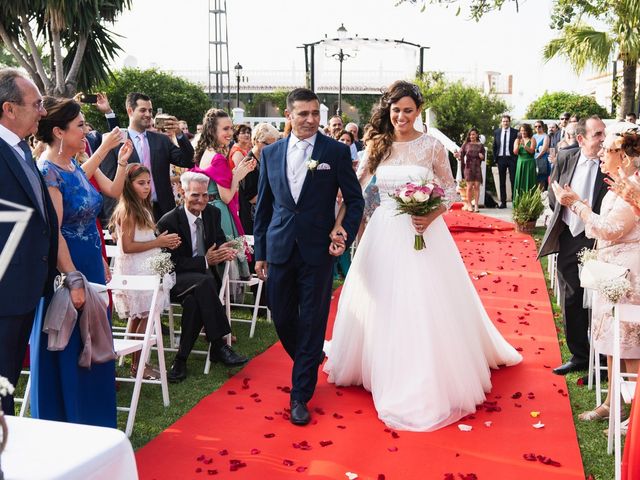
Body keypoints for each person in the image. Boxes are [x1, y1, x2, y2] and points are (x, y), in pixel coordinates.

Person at [324, 80, 522, 432]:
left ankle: (422, 371)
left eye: (408, 110)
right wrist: (335, 206)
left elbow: (449, 189)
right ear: (388, 109)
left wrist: (430, 213)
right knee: (382, 298)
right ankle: (378, 361)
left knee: (422, 300)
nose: (401, 116)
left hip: (423, 232)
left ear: (418, 111)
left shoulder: (431, 147)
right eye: (396, 109)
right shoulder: (376, 145)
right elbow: (356, 184)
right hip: (384, 230)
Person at [254, 88, 364, 426]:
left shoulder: (336, 150)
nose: (311, 120)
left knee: (314, 318)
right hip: (279, 246)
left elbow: (355, 200)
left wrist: (342, 234)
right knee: (282, 314)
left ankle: (300, 393)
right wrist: (260, 252)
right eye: (303, 114)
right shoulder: (271, 153)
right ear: (288, 115)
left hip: (319, 249)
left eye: (315, 113)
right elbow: (264, 205)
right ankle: (310, 354)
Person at [31, 96, 133, 427]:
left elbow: (96, 196)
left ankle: (97, 422)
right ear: (59, 132)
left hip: (91, 263)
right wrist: (73, 278)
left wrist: (99, 263)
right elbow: (55, 231)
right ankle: (71, 420)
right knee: (73, 346)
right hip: (69, 271)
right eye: (80, 126)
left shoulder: (72, 164)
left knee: (97, 343)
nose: (85, 130)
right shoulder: (48, 172)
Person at [552, 126, 640, 421]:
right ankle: (613, 404)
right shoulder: (621, 184)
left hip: (628, 277)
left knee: (630, 347)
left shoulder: (634, 188)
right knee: (615, 343)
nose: (601, 152)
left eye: (608, 150)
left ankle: (633, 414)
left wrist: (575, 206)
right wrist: (583, 205)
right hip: (612, 272)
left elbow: (612, 228)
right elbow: (604, 222)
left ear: (624, 157)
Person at [0, 69, 58, 415]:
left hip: (26, 289)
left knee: (8, 379)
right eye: (36, 104)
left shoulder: (22, 149)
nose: (42, 111)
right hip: (5, 290)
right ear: (9, 108)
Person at [157, 172, 248, 382]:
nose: (201, 200)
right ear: (183, 192)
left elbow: (217, 240)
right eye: (195, 195)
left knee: (195, 301)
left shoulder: (212, 214)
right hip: (176, 280)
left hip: (202, 284)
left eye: (205, 195)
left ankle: (180, 360)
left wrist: (225, 249)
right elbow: (171, 263)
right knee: (204, 281)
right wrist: (205, 262)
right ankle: (219, 345)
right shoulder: (169, 221)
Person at [539, 116, 608, 375]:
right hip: (569, 233)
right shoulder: (567, 157)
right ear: (581, 139)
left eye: (603, 133)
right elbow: (552, 190)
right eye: (597, 134)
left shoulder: (609, 162)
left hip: (598, 237)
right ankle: (579, 356)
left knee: (598, 298)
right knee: (571, 296)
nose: (603, 139)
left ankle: (602, 358)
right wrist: (564, 209)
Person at [110, 163, 182, 379]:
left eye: (148, 183)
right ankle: (139, 364)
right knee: (145, 317)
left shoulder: (142, 207)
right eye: (141, 183)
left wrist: (161, 242)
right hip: (137, 269)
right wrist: (158, 242)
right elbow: (127, 246)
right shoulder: (130, 210)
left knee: (140, 316)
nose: (146, 187)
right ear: (129, 185)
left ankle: (137, 363)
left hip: (146, 266)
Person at [99, 92, 195, 223]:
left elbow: (188, 161)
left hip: (162, 211)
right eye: (143, 110)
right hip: (130, 212)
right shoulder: (115, 142)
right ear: (130, 111)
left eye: (150, 110)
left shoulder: (161, 140)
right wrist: (113, 220)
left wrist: (179, 134)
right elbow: (109, 184)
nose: (149, 115)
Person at [192, 109, 256, 288]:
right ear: (213, 130)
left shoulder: (205, 153)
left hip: (207, 209)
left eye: (231, 128)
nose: (230, 133)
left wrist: (237, 172)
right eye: (225, 129)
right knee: (226, 261)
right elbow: (226, 197)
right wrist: (237, 177)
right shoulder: (218, 158)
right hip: (220, 211)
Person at [239, 122, 280, 235]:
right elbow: (251, 197)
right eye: (268, 144)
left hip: (264, 215)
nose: (272, 148)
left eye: (274, 144)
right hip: (253, 220)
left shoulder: (265, 159)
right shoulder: (249, 162)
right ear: (256, 141)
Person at [455, 128, 484, 212]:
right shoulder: (465, 144)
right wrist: (457, 155)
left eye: (473, 134)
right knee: (469, 187)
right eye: (470, 134)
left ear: (477, 135)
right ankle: (469, 205)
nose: (472, 136)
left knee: (477, 187)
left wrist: (482, 156)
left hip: (477, 167)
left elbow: (483, 157)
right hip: (468, 167)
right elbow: (460, 155)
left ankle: (476, 206)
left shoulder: (480, 145)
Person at [492, 114, 519, 208]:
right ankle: (503, 202)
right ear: (501, 122)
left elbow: (518, 145)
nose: (505, 123)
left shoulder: (515, 132)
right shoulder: (497, 132)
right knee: (502, 181)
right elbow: (494, 146)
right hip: (501, 159)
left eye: (507, 121)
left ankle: (515, 201)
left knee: (513, 180)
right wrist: (495, 158)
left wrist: (516, 157)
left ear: (509, 122)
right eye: (503, 121)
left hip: (512, 158)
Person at [512, 123, 537, 201]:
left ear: (528, 131)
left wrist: (524, 146)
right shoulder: (517, 140)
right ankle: (518, 201)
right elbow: (515, 152)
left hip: (530, 163)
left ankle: (530, 201)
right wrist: (518, 144)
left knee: (530, 182)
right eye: (521, 130)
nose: (523, 132)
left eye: (524, 130)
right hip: (521, 162)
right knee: (520, 181)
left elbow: (532, 151)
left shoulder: (532, 139)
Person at [533, 121, 550, 190]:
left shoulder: (546, 136)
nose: (537, 128)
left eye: (539, 126)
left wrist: (537, 157)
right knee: (534, 177)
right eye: (536, 126)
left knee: (541, 178)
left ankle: (540, 196)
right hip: (533, 157)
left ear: (542, 127)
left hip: (542, 158)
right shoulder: (533, 136)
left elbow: (544, 149)